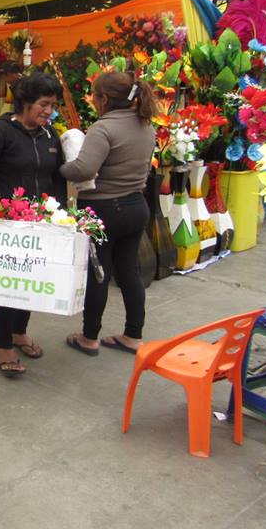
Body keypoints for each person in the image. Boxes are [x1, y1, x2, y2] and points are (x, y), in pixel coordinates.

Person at [0, 73, 67, 377]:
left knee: (32, 280)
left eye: (52, 105)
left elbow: (57, 177)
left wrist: (61, 214)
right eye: (43, 104)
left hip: (38, 221)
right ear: (25, 102)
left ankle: (19, 332)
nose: (48, 111)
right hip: (8, 223)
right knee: (8, 286)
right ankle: (3, 347)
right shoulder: (3, 131)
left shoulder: (49, 136)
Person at [59, 71, 157, 356]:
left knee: (98, 272)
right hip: (136, 206)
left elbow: (84, 169)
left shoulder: (103, 129)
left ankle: (89, 337)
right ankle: (133, 335)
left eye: (94, 96)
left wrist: (61, 168)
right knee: (129, 271)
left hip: (103, 209)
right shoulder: (146, 126)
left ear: (103, 99)